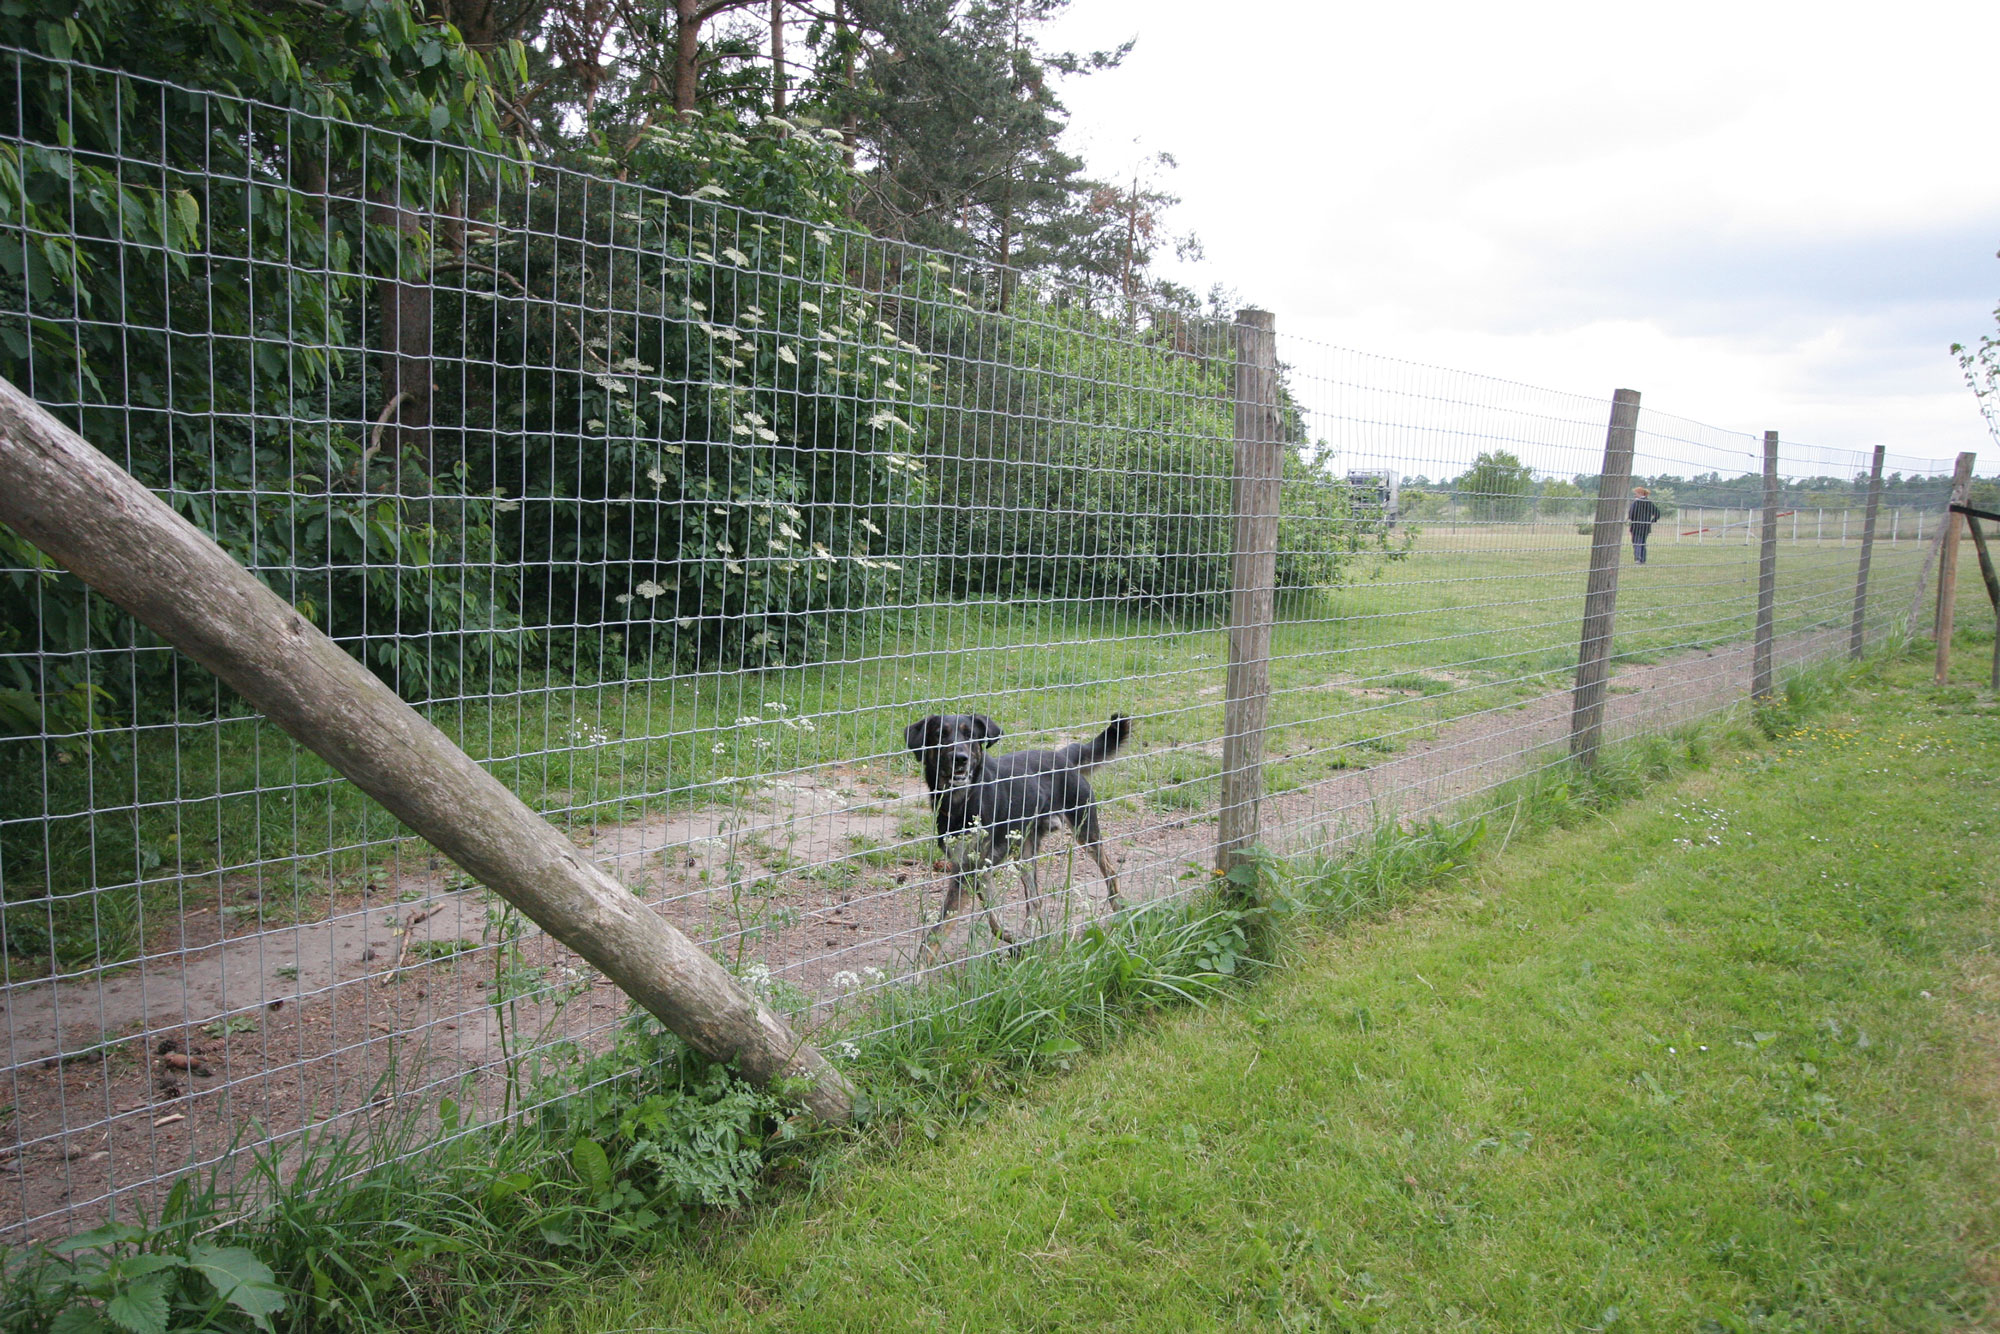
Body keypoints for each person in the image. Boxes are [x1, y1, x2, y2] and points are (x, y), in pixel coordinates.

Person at [1627, 486, 1661, 564]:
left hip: (1636, 526)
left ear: (1640, 493)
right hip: (1646, 526)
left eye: (1636, 493)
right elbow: (1657, 513)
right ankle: (1643, 559)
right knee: (1643, 542)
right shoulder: (1649, 502)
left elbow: (1631, 514)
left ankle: (1638, 558)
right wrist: (1652, 521)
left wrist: (1630, 519)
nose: (1635, 495)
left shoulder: (1636, 502)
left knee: (1636, 542)